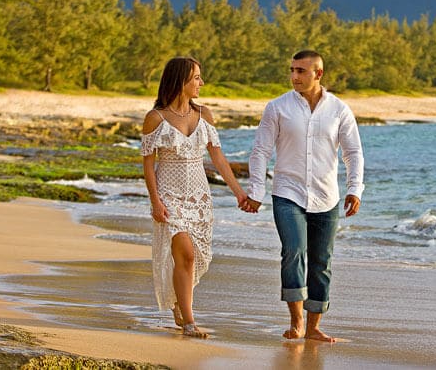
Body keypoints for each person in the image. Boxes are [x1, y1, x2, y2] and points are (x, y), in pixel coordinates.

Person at [242, 50, 365, 343]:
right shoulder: (277, 107)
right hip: (287, 193)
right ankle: (296, 321)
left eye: (301, 71)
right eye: (292, 70)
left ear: (318, 74)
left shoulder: (339, 109)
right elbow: (260, 151)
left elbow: (353, 153)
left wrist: (354, 189)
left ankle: (314, 327)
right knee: (294, 251)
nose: (294, 76)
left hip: (326, 196)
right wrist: (256, 191)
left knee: (322, 260)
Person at [141, 56, 248, 338]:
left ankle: (180, 303)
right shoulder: (155, 118)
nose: (202, 83)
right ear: (181, 81)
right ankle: (189, 322)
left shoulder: (204, 115)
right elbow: (148, 166)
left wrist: (239, 193)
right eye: (196, 78)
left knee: (193, 258)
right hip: (169, 195)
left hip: (199, 197)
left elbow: (218, 159)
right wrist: (155, 202)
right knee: (186, 254)